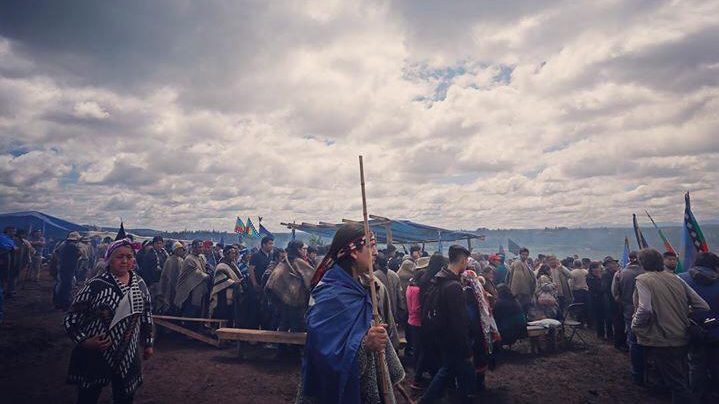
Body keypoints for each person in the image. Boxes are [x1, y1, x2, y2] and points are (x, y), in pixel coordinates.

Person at [298, 223, 404, 404]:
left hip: (367, 382)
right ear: (354, 252)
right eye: (370, 246)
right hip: (337, 391)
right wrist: (366, 345)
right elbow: (323, 353)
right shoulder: (330, 294)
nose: (376, 252)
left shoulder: (367, 285)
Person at [64, 238, 154, 404]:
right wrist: (85, 341)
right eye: (119, 256)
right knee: (88, 396)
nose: (125, 261)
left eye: (129, 256)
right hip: (96, 354)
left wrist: (148, 343)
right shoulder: (95, 285)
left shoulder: (140, 284)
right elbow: (71, 319)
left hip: (128, 352)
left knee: (125, 397)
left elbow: (146, 314)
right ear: (109, 259)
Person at [632, 248, 709, 403]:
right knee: (681, 378)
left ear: (642, 263)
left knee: (677, 384)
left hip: (663, 339)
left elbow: (645, 308)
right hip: (683, 335)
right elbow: (703, 306)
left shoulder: (643, 280)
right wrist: (681, 314)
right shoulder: (676, 278)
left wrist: (635, 324)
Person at [420, 245, 475, 404]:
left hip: (442, 335)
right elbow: (459, 321)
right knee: (456, 371)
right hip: (454, 339)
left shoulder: (439, 279)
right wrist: (466, 347)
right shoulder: (454, 287)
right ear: (463, 260)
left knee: (448, 369)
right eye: (466, 261)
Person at [678, 252, 719, 400]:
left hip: (693, 331)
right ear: (715, 266)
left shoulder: (680, 279)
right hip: (717, 333)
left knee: (695, 366)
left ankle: (697, 397)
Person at [461, 270, 499, 392]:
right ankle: (480, 383)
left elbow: (469, 314)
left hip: (473, 330)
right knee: (480, 356)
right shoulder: (481, 293)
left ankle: (472, 386)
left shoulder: (465, 294)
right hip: (483, 329)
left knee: (472, 358)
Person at [265, 240, 314, 334]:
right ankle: (293, 347)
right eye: (303, 249)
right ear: (298, 249)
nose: (305, 251)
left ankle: (282, 347)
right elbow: (312, 278)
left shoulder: (285, 261)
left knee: (284, 323)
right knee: (297, 326)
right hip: (295, 301)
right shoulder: (298, 261)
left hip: (283, 299)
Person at [613, 250, 646, 384]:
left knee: (633, 339)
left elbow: (615, 293)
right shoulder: (647, 273)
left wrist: (624, 303)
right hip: (649, 311)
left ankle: (637, 371)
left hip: (628, 309)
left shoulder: (620, 273)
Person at [174, 240, 210, 318]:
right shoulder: (189, 259)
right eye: (199, 247)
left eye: (202, 246)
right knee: (190, 311)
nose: (201, 248)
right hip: (189, 289)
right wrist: (205, 276)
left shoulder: (200, 258)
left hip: (198, 288)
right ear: (194, 247)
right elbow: (195, 273)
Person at [209, 245, 244, 323]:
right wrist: (235, 283)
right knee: (222, 317)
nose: (234, 255)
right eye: (232, 253)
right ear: (225, 254)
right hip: (222, 296)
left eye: (235, 253)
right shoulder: (221, 266)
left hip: (233, 295)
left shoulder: (233, 264)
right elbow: (220, 279)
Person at [374, 253, 407, 327]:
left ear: (377, 264)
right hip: (393, 311)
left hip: (380, 313)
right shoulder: (394, 275)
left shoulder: (373, 277)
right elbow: (400, 296)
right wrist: (401, 309)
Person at [54, 232, 82, 310]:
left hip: (62, 266)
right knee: (66, 286)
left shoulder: (63, 244)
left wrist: (59, 260)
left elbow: (56, 252)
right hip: (68, 268)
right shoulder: (73, 246)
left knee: (60, 284)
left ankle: (58, 302)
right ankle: (64, 304)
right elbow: (79, 254)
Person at [493, 284, 527, 349]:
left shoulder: (499, 303)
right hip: (522, 329)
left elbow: (495, 318)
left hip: (509, 331)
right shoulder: (515, 300)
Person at [139, 236, 168, 309]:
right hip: (152, 282)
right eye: (157, 243)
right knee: (152, 300)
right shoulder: (149, 255)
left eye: (160, 243)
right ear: (153, 244)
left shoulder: (164, 254)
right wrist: (149, 283)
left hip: (161, 281)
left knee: (160, 299)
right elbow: (145, 270)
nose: (159, 245)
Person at [602, 257, 624, 349]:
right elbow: (606, 288)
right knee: (617, 322)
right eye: (613, 263)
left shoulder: (614, 273)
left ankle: (616, 340)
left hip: (614, 300)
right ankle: (618, 343)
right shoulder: (606, 274)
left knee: (616, 321)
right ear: (608, 265)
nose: (616, 265)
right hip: (611, 301)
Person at [156, 242, 185, 314]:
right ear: (176, 250)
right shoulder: (169, 261)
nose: (182, 251)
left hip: (178, 287)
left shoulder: (181, 260)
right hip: (170, 287)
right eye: (180, 249)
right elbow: (166, 276)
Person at [507, 248, 536, 313]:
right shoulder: (518, 264)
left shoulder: (525, 263)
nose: (525, 256)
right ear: (520, 254)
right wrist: (518, 293)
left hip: (525, 294)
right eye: (523, 254)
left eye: (526, 255)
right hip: (521, 294)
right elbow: (517, 281)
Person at [587, 261, 607, 338]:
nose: (600, 269)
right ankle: (600, 334)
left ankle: (602, 333)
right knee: (599, 318)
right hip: (595, 300)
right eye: (599, 267)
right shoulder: (590, 278)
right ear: (593, 269)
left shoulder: (598, 277)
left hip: (600, 299)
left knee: (602, 317)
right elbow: (598, 289)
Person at [569, 259, 590, 326]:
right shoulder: (586, 272)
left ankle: (580, 323)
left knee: (578, 308)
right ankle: (589, 322)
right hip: (586, 291)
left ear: (574, 264)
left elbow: (570, 284)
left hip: (577, 292)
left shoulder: (572, 272)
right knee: (586, 307)